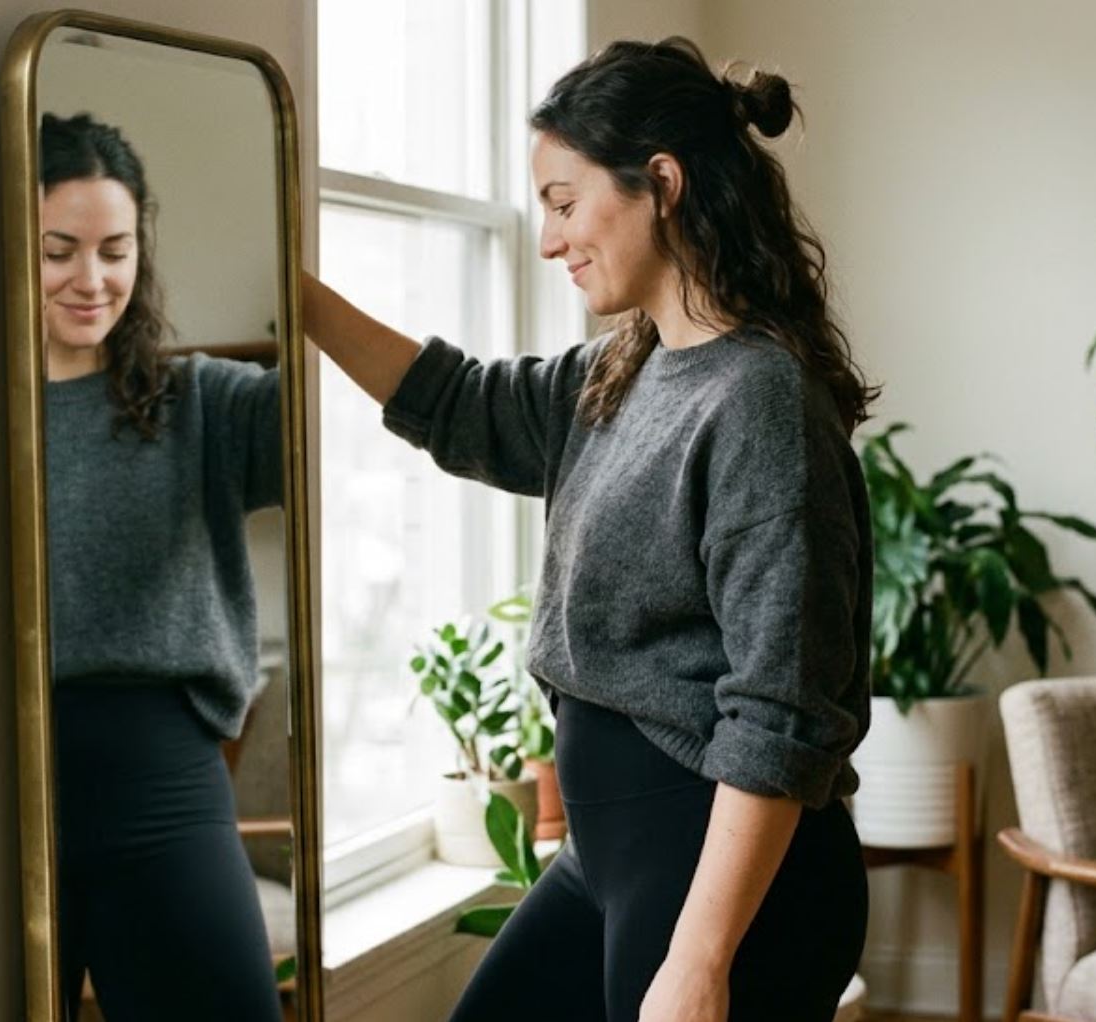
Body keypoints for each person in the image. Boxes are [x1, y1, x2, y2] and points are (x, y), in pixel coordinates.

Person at [301, 37, 877, 1022]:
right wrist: (296, 293)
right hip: (610, 861)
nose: (545, 238)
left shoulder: (759, 402)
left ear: (659, 183)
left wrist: (700, 962)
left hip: (726, 881)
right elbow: (460, 401)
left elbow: (779, 718)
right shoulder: (624, 367)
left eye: (564, 202)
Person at [38, 111, 285, 1022]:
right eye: (60, 249)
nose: (92, 279)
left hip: (162, 784)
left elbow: (353, 424)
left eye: (116, 248)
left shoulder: (200, 405)